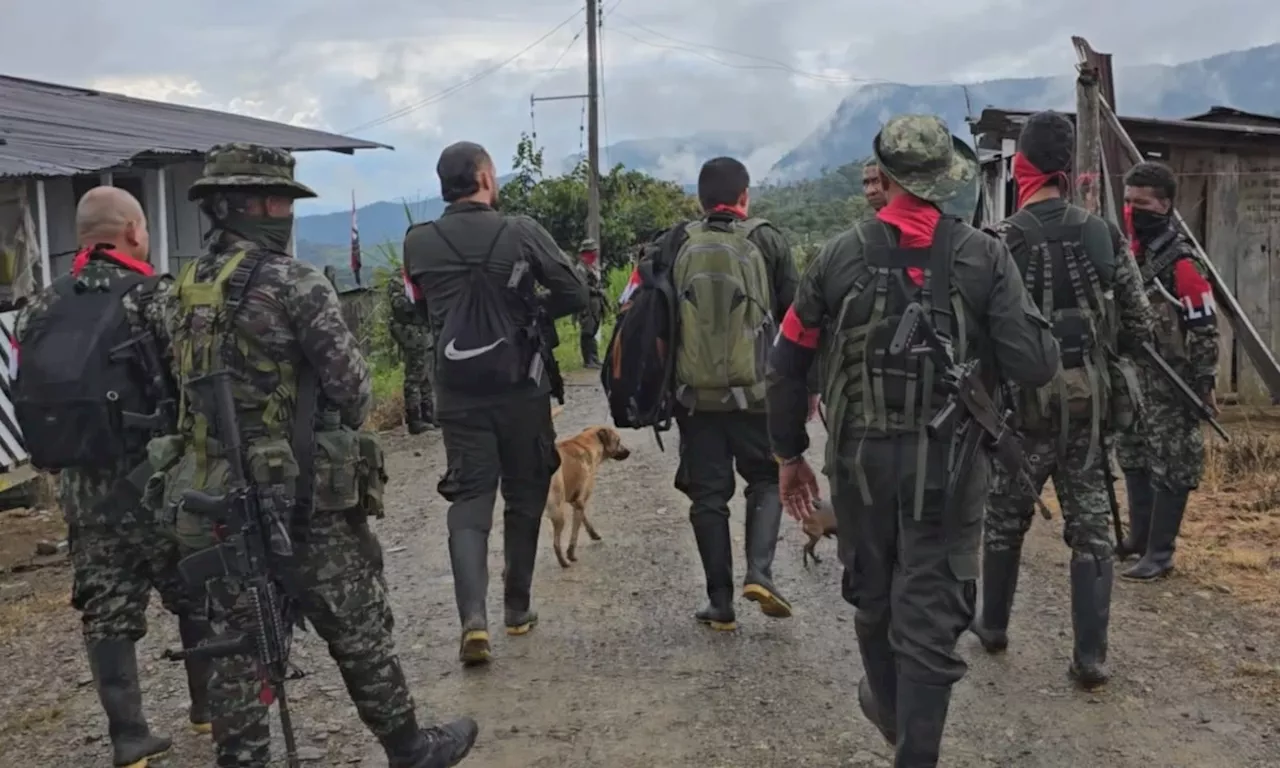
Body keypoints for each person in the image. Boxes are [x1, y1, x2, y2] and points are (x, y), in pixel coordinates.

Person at [162, 143, 476, 767]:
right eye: (280, 201)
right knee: (356, 623)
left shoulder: (181, 288)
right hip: (300, 494)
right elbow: (355, 393)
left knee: (234, 642)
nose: (287, 214)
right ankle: (409, 748)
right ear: (255, 205)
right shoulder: (295, 283)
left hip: (212, 493)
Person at [767, 115, 1059, 767]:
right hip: (950, 471)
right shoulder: (985, 256)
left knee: (872, 597)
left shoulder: (836, 257)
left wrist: (790, 456)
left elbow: (786, 360)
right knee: (930, 618)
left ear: (888, 175)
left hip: (860, 467)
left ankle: (901, 725)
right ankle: (911, 737)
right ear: (944, 181)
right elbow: (1036, 365)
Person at [13, 186, 210, 767]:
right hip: (158, 482)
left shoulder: (38, 307)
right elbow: (190, 383)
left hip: (83, 496)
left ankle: (129, 736)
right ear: (131, 232)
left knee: (106, 611)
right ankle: (206, 709)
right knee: (195, 591)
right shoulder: (154, 298)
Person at [973, 111, 1153, 689]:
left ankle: (994, 627)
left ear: (1021, 167)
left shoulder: (998, 241)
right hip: (1087, 408)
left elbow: (977, 338)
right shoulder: (1102, 234)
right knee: (1093, 529)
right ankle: (1090, 658)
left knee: (1004, 518)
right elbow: (1139, 324)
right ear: (1067, 169)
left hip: (1019, 411)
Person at [404, 141, 587, 665]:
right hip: (520, 388)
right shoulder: (520, 231)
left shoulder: (419, 242)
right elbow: (574, 293)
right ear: (485, 177)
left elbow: (420, 307)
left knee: (470, 499)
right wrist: (528, 315)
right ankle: (517, 607)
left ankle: (472, 620)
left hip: (457, 392)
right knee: (526, 492)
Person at [667, 156, 799, 630]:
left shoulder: (677, 241)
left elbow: (649, 314)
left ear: (701, 200)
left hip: (694, 398)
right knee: (764, 478)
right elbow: (795, 320)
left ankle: (719, 603)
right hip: (757, 392)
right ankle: (759, 572)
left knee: (708, 495)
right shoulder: (767, 240)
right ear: (745, 197)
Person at [1115, 160, 1220, 581]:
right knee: (1133, 455)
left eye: (1140, 203)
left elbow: (1204, 329)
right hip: (1135, 379)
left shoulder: (1182, 264)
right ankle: (1138, 539)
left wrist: (1204, 383)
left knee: (1174, 463)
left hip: (1172, 383)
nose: (1131, 211)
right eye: (1127, 201)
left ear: (1165, 206)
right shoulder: (1131, 256)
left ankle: (1160, 553)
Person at [386, 271, 436, 432]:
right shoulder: (398, 280)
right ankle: (415, 419)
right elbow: (399, 305)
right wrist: (420, 303)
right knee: (415, 377)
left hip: (425, 332)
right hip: (412, 334)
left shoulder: (420, 275)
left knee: (427, 376)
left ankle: (429, 415)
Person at [575, 238, 606, 369]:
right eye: (593, 251)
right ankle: (588, 360)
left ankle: (594, 358)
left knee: (592, 331)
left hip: (595, 305)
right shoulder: (581, 268)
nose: (595, 253)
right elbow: (582, 287)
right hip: (587, 305)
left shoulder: (591, 266)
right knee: (587, 332)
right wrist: (597, 291)